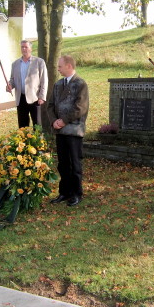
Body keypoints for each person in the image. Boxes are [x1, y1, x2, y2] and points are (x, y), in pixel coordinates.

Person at [47, 56, 89, 207]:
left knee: (75, 163)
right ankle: (64, 192)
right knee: (63, 164)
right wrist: (54, 121)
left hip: (74, 130)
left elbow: (80, 107)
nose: (58, 69)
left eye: (60, 66)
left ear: (69, 66)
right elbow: (50, 105)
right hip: (60, 131)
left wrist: (63, 120)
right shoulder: (58, 84)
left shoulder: (80, 84)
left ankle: (76, 193)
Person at [7, 40, 48, 128]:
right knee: (22, 126)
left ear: (31, 48)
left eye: (26, 47)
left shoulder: (39, 62)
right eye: (22, 47)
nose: (24, 49)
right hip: (20, 98)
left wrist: (42, 96)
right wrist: (10, 85)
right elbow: (12, 79)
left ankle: (38, 138)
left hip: (35, 98)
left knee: (37, 125)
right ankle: (23, 137)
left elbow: (44, 80)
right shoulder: (15, 64)